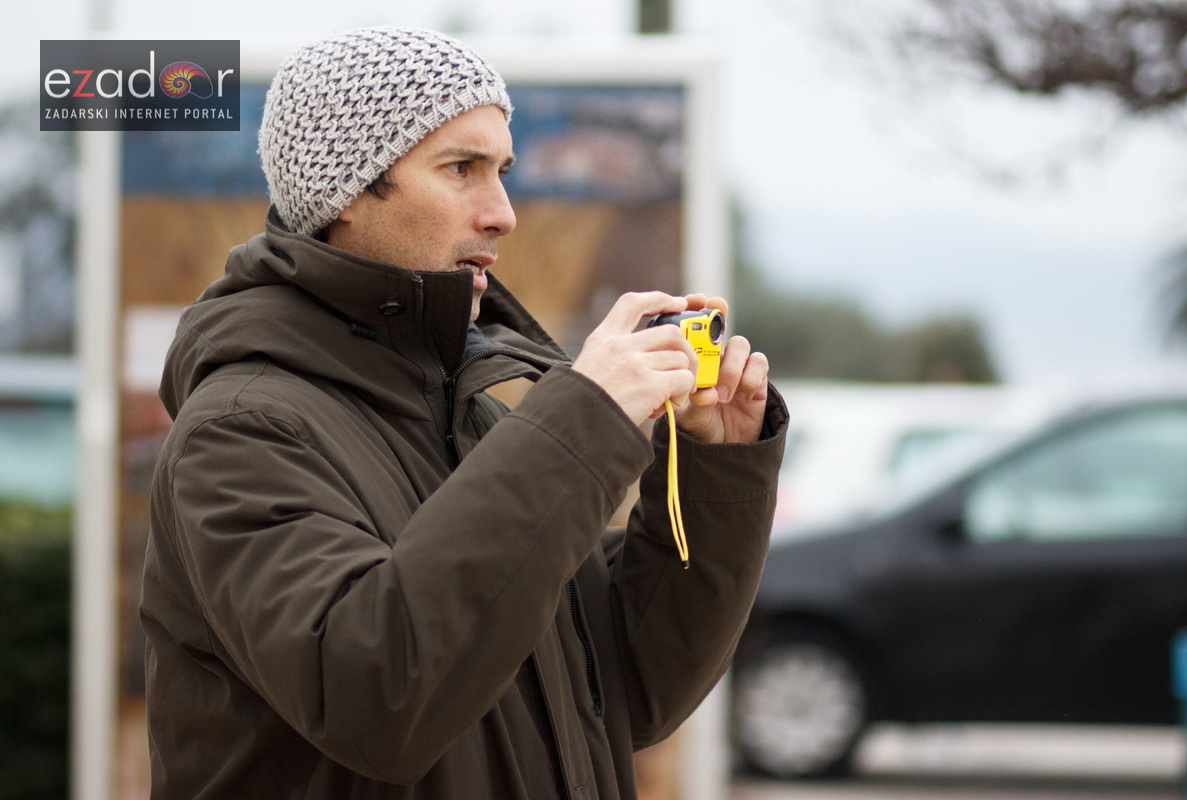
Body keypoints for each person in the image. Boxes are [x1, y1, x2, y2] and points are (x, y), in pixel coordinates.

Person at [140, 26, 788, 799]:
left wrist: (713, 469)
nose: (504, 213)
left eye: (503, 171)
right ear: (345, 189)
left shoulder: (472, 420)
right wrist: (587, 416)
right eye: (462, 169)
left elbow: (623, 694)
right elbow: (376, 694)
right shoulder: (242, 426)